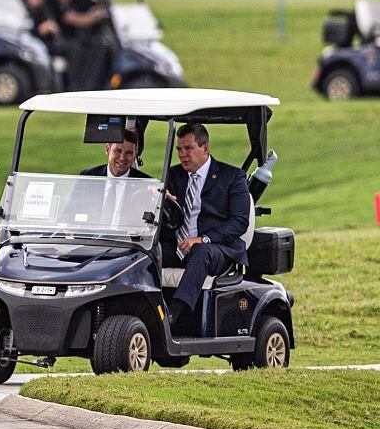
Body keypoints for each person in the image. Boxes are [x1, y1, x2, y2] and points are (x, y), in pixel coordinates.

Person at [161, 123, 251, 332]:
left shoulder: (232, 177)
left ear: (205, 148)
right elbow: (167, 223)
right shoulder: (173, 176)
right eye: (179, 149)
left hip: (217, 249)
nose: (182, 155)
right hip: (179, 246)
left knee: (200, 251)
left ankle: (174, 313)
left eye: (188, 149)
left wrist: (203, 239)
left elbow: (239, 223)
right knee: (147, 253)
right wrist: (160, 203)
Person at [63, 131, 149, 226]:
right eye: (118, 151)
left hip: (125, 240)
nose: (122, 157)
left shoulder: (145, 184)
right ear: (108, 150)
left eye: (129, 153)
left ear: (135, 155)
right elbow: (67, 216)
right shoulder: (89, 177)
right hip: (90, 239)